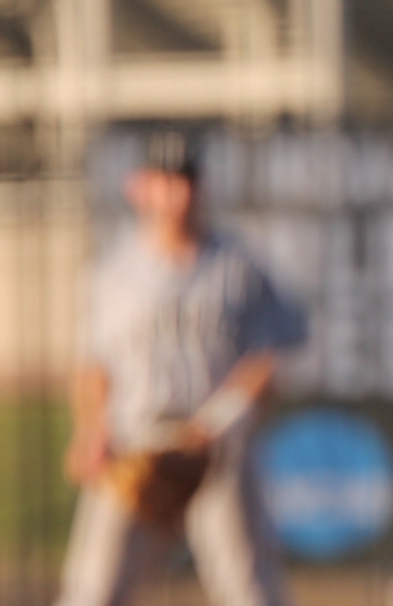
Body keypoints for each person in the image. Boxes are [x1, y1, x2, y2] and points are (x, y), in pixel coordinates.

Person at [58, 130, 307, 606]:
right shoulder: (110, 273)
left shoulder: (238, 265)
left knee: (249, 587)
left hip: (217, 449)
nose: (180, 193)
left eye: (188, 179)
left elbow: (268, 359)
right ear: (139, 187)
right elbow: (93, 366)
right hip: (135, 443)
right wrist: (92, 432)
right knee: (92, 589)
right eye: (167, 180)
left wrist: (213, 424)